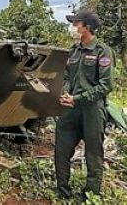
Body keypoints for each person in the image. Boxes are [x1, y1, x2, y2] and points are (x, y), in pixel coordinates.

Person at [55, 10, 115, 200]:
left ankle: (90, 196)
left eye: (76, 23)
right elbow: (66, 76)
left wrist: (78, 98)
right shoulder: (73, 51)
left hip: (92, 110)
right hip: (70, 110)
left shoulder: (103, 52)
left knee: (93, 155)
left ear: (87, 27)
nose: (74, 27)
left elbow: (106, 85)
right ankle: (63, 193)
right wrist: (65, 92)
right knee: (61, 150)